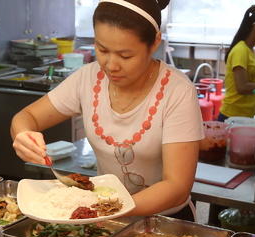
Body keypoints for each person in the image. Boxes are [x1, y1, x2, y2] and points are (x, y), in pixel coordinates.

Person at [11, 0, 202, 220]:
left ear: (155, 43)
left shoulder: (177, 91)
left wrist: (106, 210)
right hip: (106, 219)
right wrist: (23, 135)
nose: (111, 65)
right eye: (102, 49)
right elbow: (27, 116)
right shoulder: (88, 78)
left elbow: (177, 187)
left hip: (166, 223)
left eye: (125, 56)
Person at [218, 4, 255, 122]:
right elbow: (242, 87)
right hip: (232, 117)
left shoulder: (249, 50)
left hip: (244, 117)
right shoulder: (241, 50)